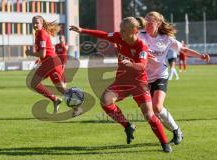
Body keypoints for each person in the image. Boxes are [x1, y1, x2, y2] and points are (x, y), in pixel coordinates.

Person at [70, 17, 172, 152]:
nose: (120, 33)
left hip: (138, 84)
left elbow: (142, 66)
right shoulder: (119, 37)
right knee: (105, 101)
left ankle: (165, 144)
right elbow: (104, 35)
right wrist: (82, 30)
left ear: (134, 31)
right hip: (122, 82)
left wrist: (131, 64)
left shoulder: (142, 47)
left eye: (124, 31)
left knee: (149, 115)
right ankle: (127, 125)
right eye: (120, 30)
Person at [137, 11, 210, 145]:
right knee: (152, 112)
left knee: (157, 107)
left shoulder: (166, 38)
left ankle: (177, 131)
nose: (146, 23)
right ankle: (175, 131)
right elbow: (125, 39)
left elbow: (183, 50)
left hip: (160, 75)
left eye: (150, 21)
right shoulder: (140, 35)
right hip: (144, 78)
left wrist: (200, 56)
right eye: (145, 20)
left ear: (158, 23)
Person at [25, 15, 81, 116]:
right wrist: (39, 60)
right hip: (46, 64)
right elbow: (44, 53)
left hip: (53, 64)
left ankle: (78, 108)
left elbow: (43, 54)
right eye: (33, 22)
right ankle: (55, 99)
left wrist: (30, 53)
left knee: (61, 89)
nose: (34, 24)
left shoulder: (42, 34)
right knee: (34, 83)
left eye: (37, 23)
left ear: (42, 24)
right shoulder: (38, 33)